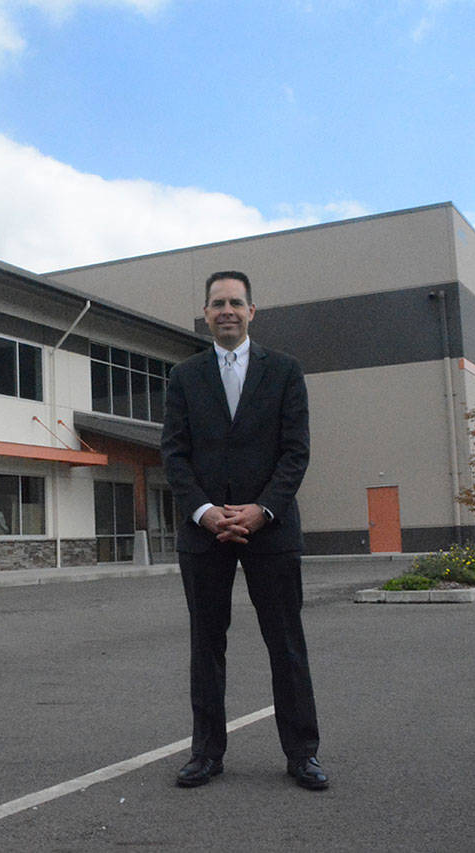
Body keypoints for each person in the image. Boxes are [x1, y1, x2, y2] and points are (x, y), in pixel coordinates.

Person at [160, 270, 327, 791]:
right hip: (204, 533)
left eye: (236, 302)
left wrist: (261, 510)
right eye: (217, 303)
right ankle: (206, 754)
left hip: (270, 531)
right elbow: (174, 453)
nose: (226, 310)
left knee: (286, 643)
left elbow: (295, 452)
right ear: (205, 314)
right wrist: (205, 511)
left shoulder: (285, 372)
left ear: (252, 311)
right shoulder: (184, 377)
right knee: (206, 644)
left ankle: (302, 754)